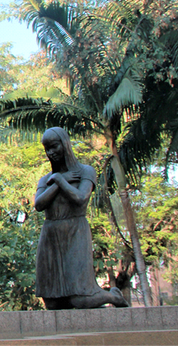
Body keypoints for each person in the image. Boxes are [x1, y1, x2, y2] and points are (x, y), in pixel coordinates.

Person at [35, 127, 128, 309]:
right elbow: (39, 204)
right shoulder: (46, 179)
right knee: (53, 303)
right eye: (47, 149)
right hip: (51, 235)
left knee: (80, 299)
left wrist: (61, 181)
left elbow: (80, 198)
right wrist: (59, 180)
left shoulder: (86, 171)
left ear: (65, 145)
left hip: (75, 230)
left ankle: (113, 296)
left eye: (54, 147)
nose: (51, 153)